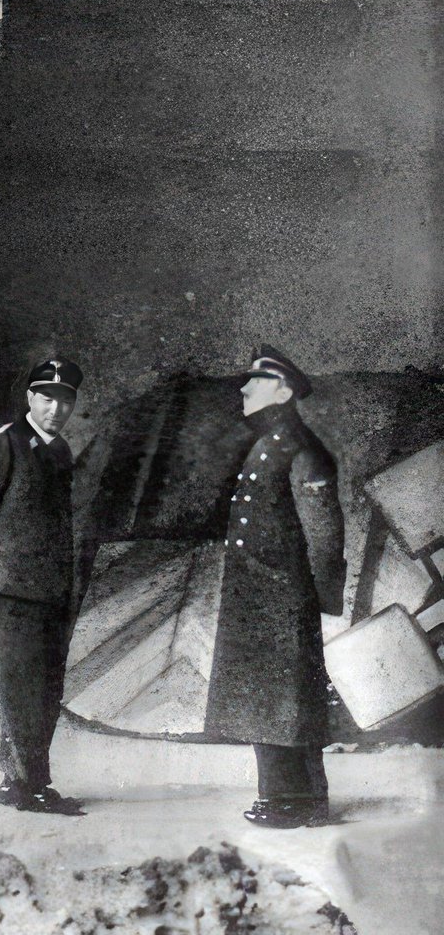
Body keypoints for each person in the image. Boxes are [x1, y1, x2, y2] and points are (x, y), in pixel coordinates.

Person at [204, 345, 346, 829]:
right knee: (272, 697)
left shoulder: (300, 448)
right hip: (260, 594)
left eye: (256, 382)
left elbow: (323, 530)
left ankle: (295, 800)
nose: (244, 388)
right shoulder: (269, 442)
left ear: (283, 391)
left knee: (287, 699)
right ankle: (287, 796)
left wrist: (323, 594)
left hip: (283, 595)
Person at [0, 358, 85, 815]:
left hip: (50, 586)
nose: (56, 408)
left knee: (46, 686)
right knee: (21, 687)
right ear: (30, 398)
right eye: (47, 397)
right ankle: (31, 786)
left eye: (65, 400)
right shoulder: (5, 443)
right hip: (10, 586)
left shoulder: (61, 450)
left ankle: (18, 780)